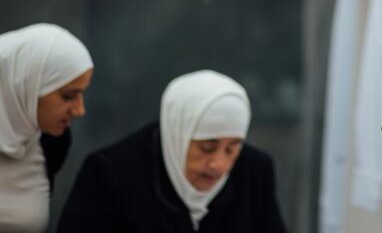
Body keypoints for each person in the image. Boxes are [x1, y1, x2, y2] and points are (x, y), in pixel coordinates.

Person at [58, 70, 287, 233]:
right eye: (207, 147)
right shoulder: (111, 174)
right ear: (178, 135)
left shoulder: (254, 171)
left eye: (232, 148)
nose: (219, 164)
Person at [0, 23, 94, 233]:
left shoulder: (52, 141)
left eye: (82, 94)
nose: (79, 110)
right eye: (68, 96)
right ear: (25, 84)